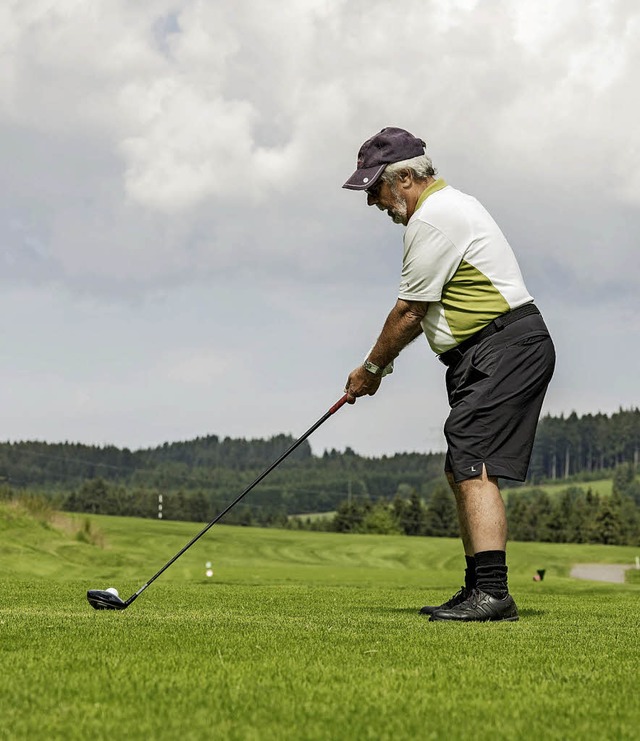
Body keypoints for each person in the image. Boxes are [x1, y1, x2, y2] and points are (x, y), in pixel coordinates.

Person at [342, 127, 555, 622]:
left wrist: (372, 369)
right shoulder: (447, 208)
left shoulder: (434, 219)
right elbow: (423, 312)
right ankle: (477, 586)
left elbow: (409, 312)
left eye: (375, 189)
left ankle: (494, 594)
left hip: (504, 346)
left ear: (407, 178)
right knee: (461, 459)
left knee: (472, 455)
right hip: (487, 351)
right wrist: (380, 366)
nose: (373, 202)